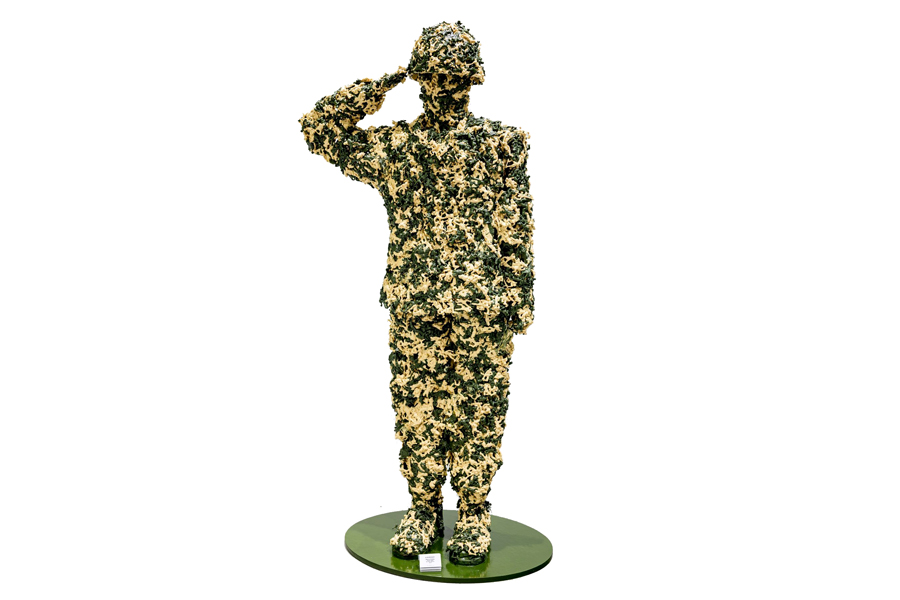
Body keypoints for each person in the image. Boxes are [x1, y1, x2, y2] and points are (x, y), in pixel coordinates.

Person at [299, 21, 535, 566]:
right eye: (435, 77)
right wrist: (386, 82)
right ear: (422, 79)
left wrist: (520, 300)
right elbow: (320, 129)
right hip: (414, 304)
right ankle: (424, 508)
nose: (446, 88)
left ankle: (473, 513)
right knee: (416, 410)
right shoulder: (396, 146)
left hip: (481, 306)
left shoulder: (502, 144)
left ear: (473, 80)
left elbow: (517, 226)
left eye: (456, 78)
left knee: (480, 410)